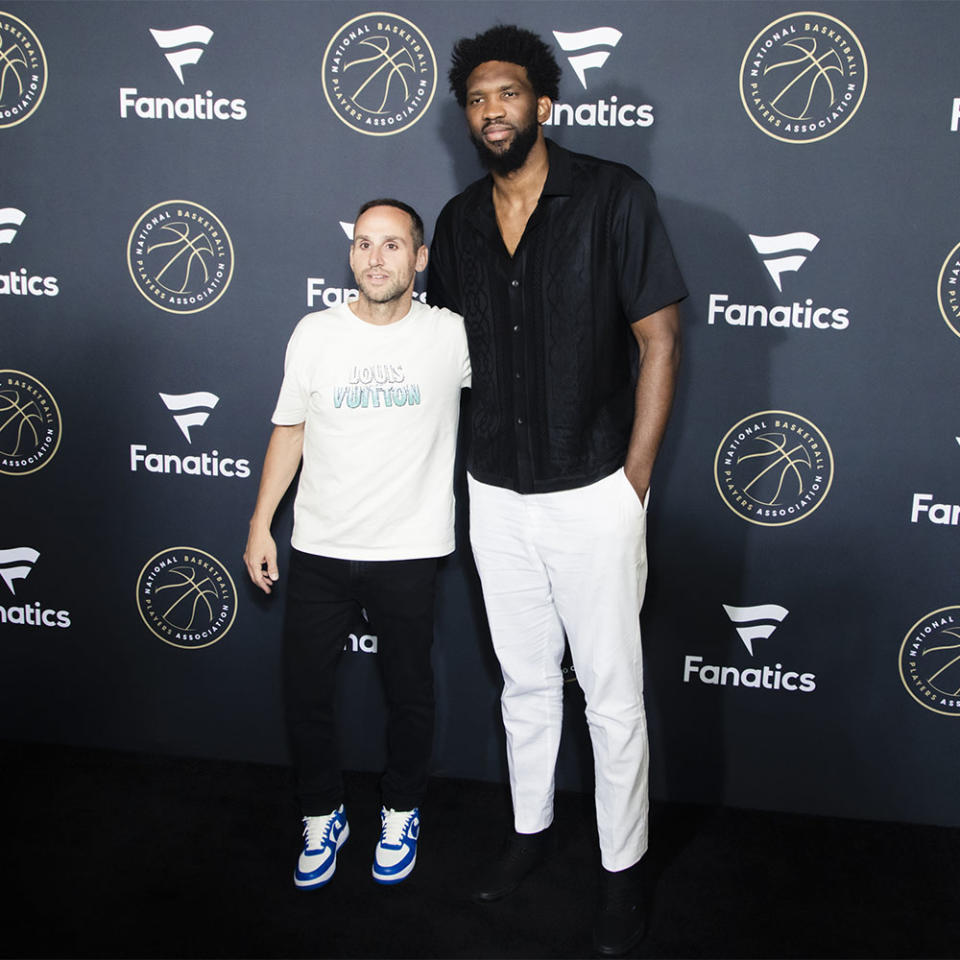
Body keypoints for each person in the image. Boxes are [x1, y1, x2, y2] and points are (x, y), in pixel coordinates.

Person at [427, 25, 686, 956]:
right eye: (476, 100)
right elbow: (446, 357)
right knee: (525, 687)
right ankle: (528, 835)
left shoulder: (614, 196)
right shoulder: (457, 221)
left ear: (545, 103)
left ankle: (624, 872)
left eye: (506, 94)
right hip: (495, 492)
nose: (490, 111)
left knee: (612, 698)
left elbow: (659, 339)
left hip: (594, 489)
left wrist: (634, 481)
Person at [244, 199, 470, 890]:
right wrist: (261, 523)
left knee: (409, 694)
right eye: (365, 244)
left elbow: (517, 402)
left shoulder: (453, 335)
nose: (377, 257)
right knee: (306, 694)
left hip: (409, 550)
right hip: (320, 547)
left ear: (420, 258)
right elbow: (291, 429)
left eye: (393, 245)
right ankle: (323, 813)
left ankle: (400, 811)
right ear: (351, 256)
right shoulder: (315, 333)